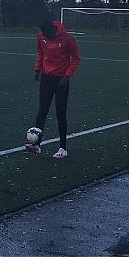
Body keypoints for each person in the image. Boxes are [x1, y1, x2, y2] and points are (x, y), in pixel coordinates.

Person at [27, 20, 81, 159]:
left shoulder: (67, 39)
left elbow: (76, 58)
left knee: (60, 112)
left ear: (53, 30)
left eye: (48, 34)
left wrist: (67, 76)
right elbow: (40, 52)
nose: (46, 37)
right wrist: (37, 69)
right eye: (44, 35)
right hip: (46, 78)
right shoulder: (41, 36)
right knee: (42, 109)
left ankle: (63, 148)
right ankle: (36, 144)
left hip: (61, 80)